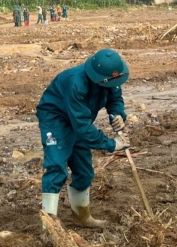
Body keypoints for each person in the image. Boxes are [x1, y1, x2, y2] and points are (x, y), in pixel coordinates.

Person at [36, 49, 130, 228]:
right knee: (56, 167)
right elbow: (82, 127)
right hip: (56, 118)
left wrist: (117, 114)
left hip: (79, 120)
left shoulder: (110, 79)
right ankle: (48, 227)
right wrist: (111, 144)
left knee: (85, 171)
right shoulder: (76, 83)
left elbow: (115, 98)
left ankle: (81, 216)